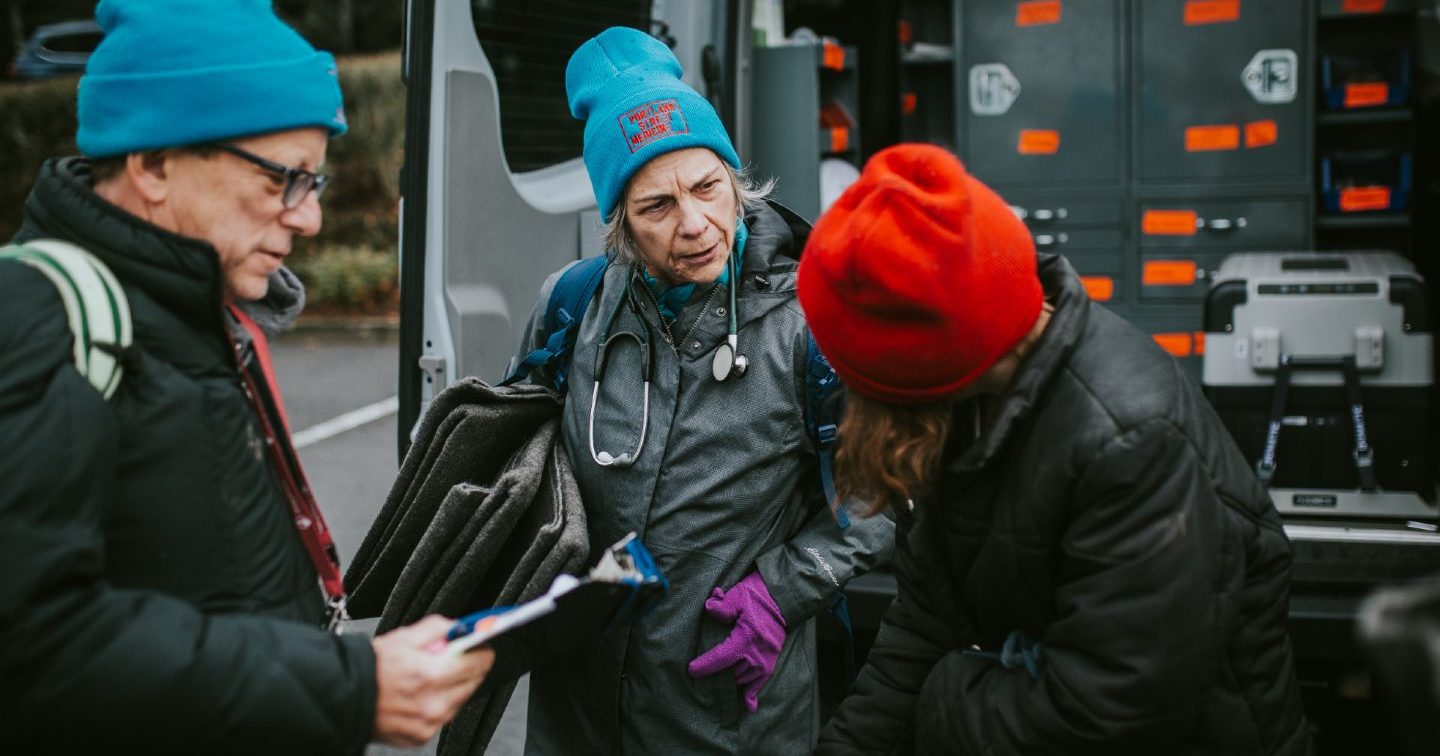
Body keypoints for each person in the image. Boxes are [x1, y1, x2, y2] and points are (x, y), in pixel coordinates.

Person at [0, 1, 490, 753]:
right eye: (284, 179)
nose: (310, 219)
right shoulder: (41, 321)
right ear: (154, 163)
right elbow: (34, 646)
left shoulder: (200, 309)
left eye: (316, 183)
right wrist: (348, 687)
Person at [801, 145, 1313, 755]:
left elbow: (1114, 710)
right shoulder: (961, 407)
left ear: (920, 378)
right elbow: (925, 621)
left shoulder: (1130, 441)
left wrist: (946, 697)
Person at [508, 26, 894, 754]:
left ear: (732, 177)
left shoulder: (813, 322)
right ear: (618, 222)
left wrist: (782, 593)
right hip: (577, 709)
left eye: (708, 188)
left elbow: (879, 497)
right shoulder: (571, 307)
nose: (695, 225)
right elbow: (518, 469)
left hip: (729, 707)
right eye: (656, 207)